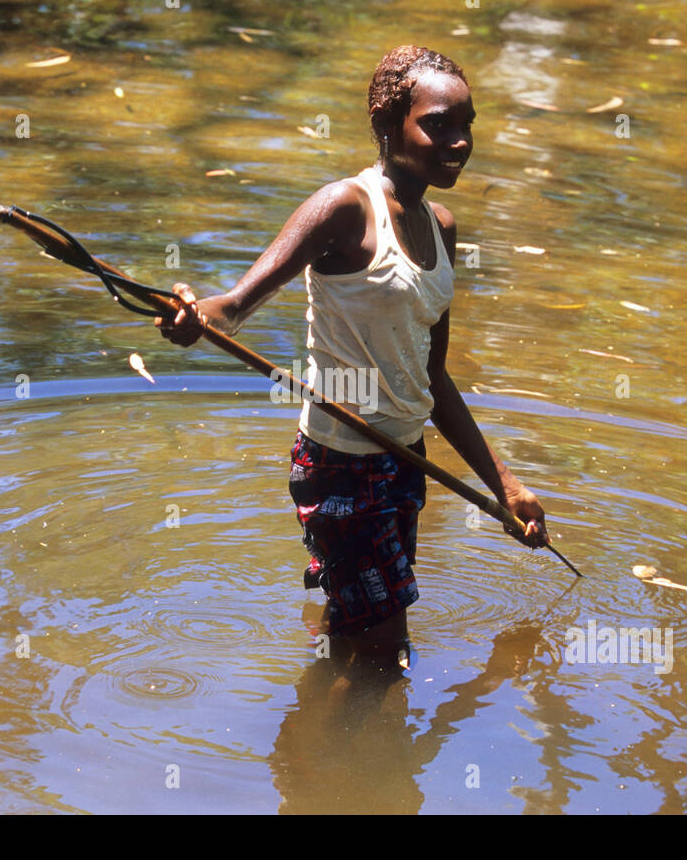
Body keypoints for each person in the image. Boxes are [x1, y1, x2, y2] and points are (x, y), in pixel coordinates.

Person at [157, 45, 548, 659]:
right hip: (341, 463)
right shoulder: (345, 209)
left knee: (365, 638)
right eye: (437, 123)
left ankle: (319, 735)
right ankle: (328, 749)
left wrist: (503, 485)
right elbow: (232, 306)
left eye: (466, 124)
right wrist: (193, 315)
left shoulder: (441, 227)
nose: (459, 142)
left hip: (405, 461)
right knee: (386, 652)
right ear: (390, 127)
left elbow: (432, 375)